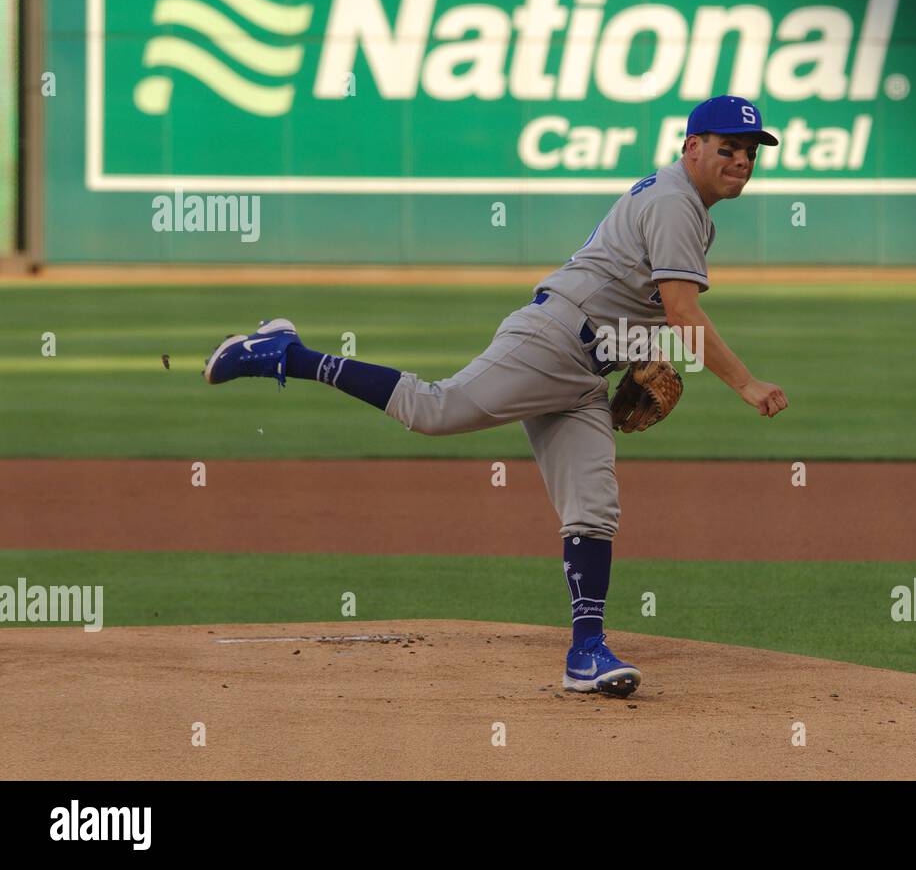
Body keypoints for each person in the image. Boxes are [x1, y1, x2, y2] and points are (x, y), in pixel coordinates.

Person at [203, 95, 790, 697]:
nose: (741, 160)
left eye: (749, 152)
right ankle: (285, 354)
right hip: (551, 343)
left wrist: (638, 353)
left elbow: (636, 299)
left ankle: (586, 652)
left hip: (585, 371)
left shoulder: (684, 206)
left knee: (593, 506)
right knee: (434, 410)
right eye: (728, 148)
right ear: (692, 147)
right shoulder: (674, 203)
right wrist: (744, 381)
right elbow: (681, 308)